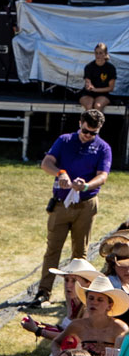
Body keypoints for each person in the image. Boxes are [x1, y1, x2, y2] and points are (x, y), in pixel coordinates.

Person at [35, 110, 113, 306]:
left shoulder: (103, 148)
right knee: (53, 249)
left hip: (86, 204)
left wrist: (86, 185)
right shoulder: (65, 141)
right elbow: (46, 163)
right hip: (61, 204)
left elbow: (103, 175)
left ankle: (77, 295)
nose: (89, 136)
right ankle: (43, 292)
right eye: (86, 131)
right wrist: (60, 173)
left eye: (93, 133)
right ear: (80, 123)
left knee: (80, 253)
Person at [83, 44, 117, 114]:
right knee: (89, 106)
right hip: (89, 93)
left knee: (97, 106)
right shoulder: (89, 66)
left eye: (100, 53)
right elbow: (87, 81)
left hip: (103, 93)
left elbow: (111, 88)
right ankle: (87, 124)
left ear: (105, 54)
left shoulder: (110, 68)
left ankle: (97, 124)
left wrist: (96, 90)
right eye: (96, 53)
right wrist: (88, 86)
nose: (98, 55)